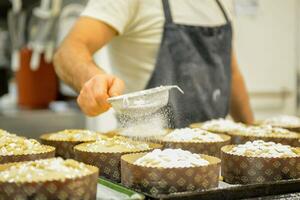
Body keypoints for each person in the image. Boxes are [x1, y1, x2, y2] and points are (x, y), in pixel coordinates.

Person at [54, 0, 254, 128]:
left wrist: (252, 133)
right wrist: (92, 79)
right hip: (147, 160)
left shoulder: (222, 3)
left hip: (214, 160)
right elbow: (69, 51)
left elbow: (231, 72)